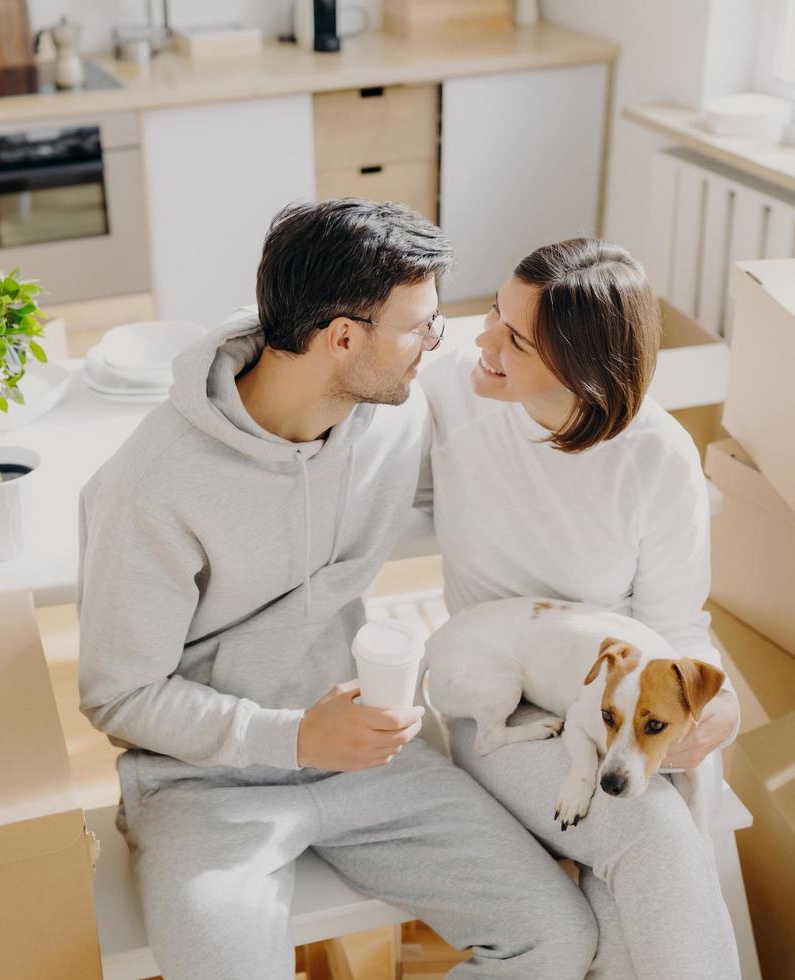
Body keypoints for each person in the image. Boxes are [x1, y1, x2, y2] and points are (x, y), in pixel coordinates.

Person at [77, 200, 598, 980]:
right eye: (421, 327)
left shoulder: (393, 414)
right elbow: (118, 697)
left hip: (372, 756)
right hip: (203, 787)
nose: (436, 343)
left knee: (556, 939)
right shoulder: (149, 488)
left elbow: (523, 456)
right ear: (344, 338)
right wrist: (291, 737)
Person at [418, 238, 743, 978]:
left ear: (582, 370)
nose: (483, 339)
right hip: (504, 702)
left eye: (514, 338)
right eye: (495, 312)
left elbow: (679, 626)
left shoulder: (656, 454)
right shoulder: (449, 392)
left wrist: (720, 710)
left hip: (624, 708)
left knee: (626, 943)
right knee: (654, 843)